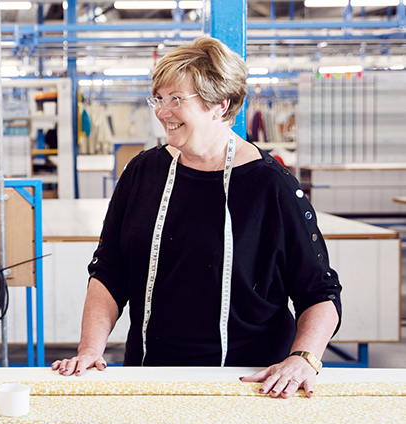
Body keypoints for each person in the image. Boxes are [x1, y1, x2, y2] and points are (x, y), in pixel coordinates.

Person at [52, 37, 342, 399]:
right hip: (150, 378)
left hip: (251, 384)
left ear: (219, 105)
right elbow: (110, 271)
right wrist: (90, 349)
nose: (162, 111)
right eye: (158, 98)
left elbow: (320, 293)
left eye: (176, 99)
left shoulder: (272, 187)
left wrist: (303, 358)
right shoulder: (143, 173)